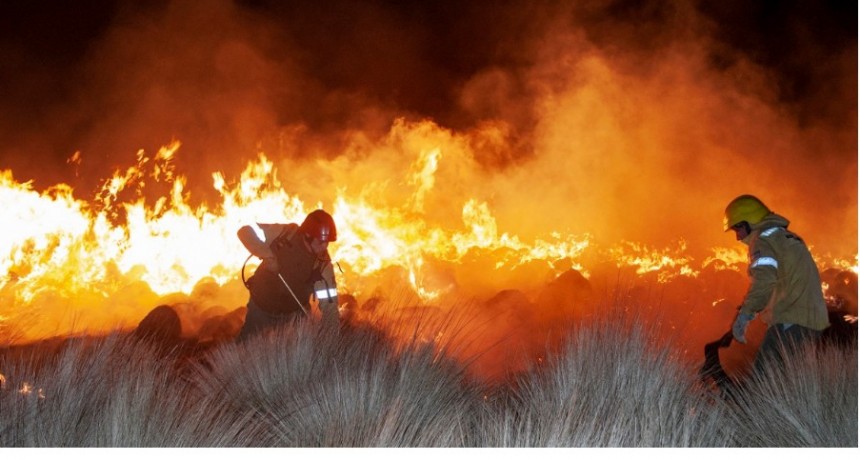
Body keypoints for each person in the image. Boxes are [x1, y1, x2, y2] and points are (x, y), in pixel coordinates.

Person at [724, 195, 830, 374]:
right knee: (789, 383)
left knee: (762, 382)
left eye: (737, 229)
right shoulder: (786, 237)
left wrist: (744, 315)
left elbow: (764, 281)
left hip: (792, 319)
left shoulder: (762, 241)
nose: (738, 237)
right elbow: (784, 279)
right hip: (812, 319)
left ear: (747, 222)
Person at [236, 209, 340, 341]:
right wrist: (267, 255)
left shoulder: (322, 265)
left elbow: (330, 307)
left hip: (293, 317)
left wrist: (333, 340)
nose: (324, 247)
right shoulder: (283, 234)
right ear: (307, 235)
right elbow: (244, 232)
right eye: (320, 242)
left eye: (327, 242)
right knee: (246, 349)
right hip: (261, 309)